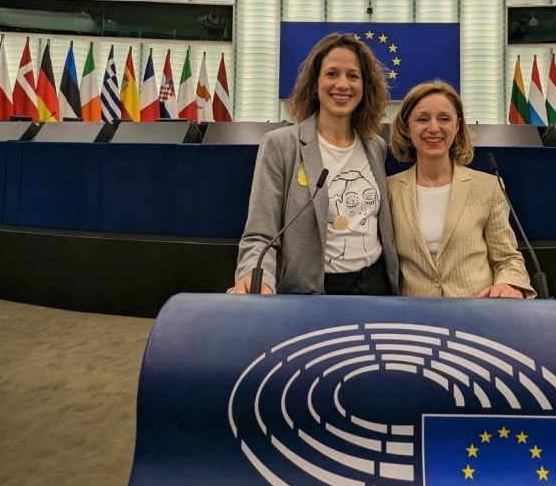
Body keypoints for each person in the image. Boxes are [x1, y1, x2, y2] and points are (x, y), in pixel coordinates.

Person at [228, 33, 399, 295]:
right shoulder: (281, 145)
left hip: (376, 287)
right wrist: (256, 276)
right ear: (314, 85)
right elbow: (260, 235)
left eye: (353, 76)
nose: (342, 84)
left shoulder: (375, 146)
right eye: (332, 74)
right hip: (314, 292)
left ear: (365, 87)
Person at [387, 80, 535, 299]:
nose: (434, 128)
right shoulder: (389, 190)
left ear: (457, 126)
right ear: (407, 127)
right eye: (422, 119)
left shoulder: (487, 187)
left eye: (444, 119)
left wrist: (507, 284)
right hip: (414, 316)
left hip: (475, 314)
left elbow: (507, 259)